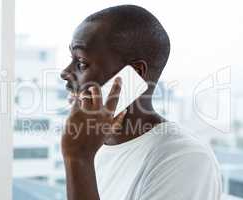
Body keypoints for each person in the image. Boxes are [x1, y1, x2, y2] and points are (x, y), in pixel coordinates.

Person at [60, 5, 222, 200]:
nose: (65, 73)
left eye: (82, 63)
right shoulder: (97, 150)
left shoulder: (185, 159)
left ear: (134, 74)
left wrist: (78, 159)